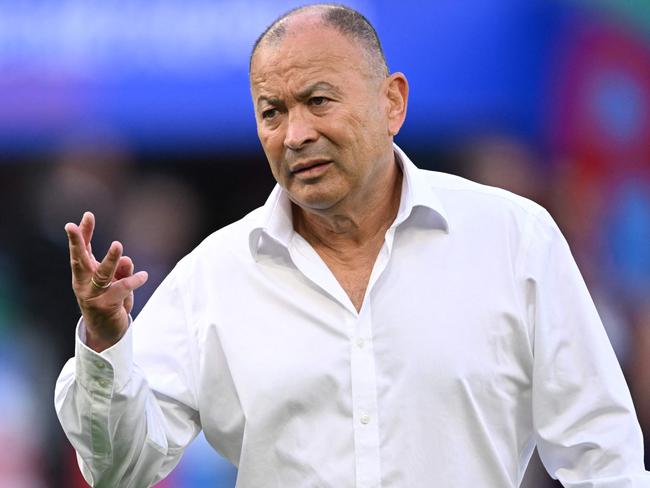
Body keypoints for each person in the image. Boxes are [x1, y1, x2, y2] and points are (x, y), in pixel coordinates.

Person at [55, 4, 650, 487]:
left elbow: (603, 457)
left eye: (318, 100)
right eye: (272, 111)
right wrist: (108, 343)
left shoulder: (514, 239)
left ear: (392, 101)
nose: (296, 134)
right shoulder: (212, 276)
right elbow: (120, 469)